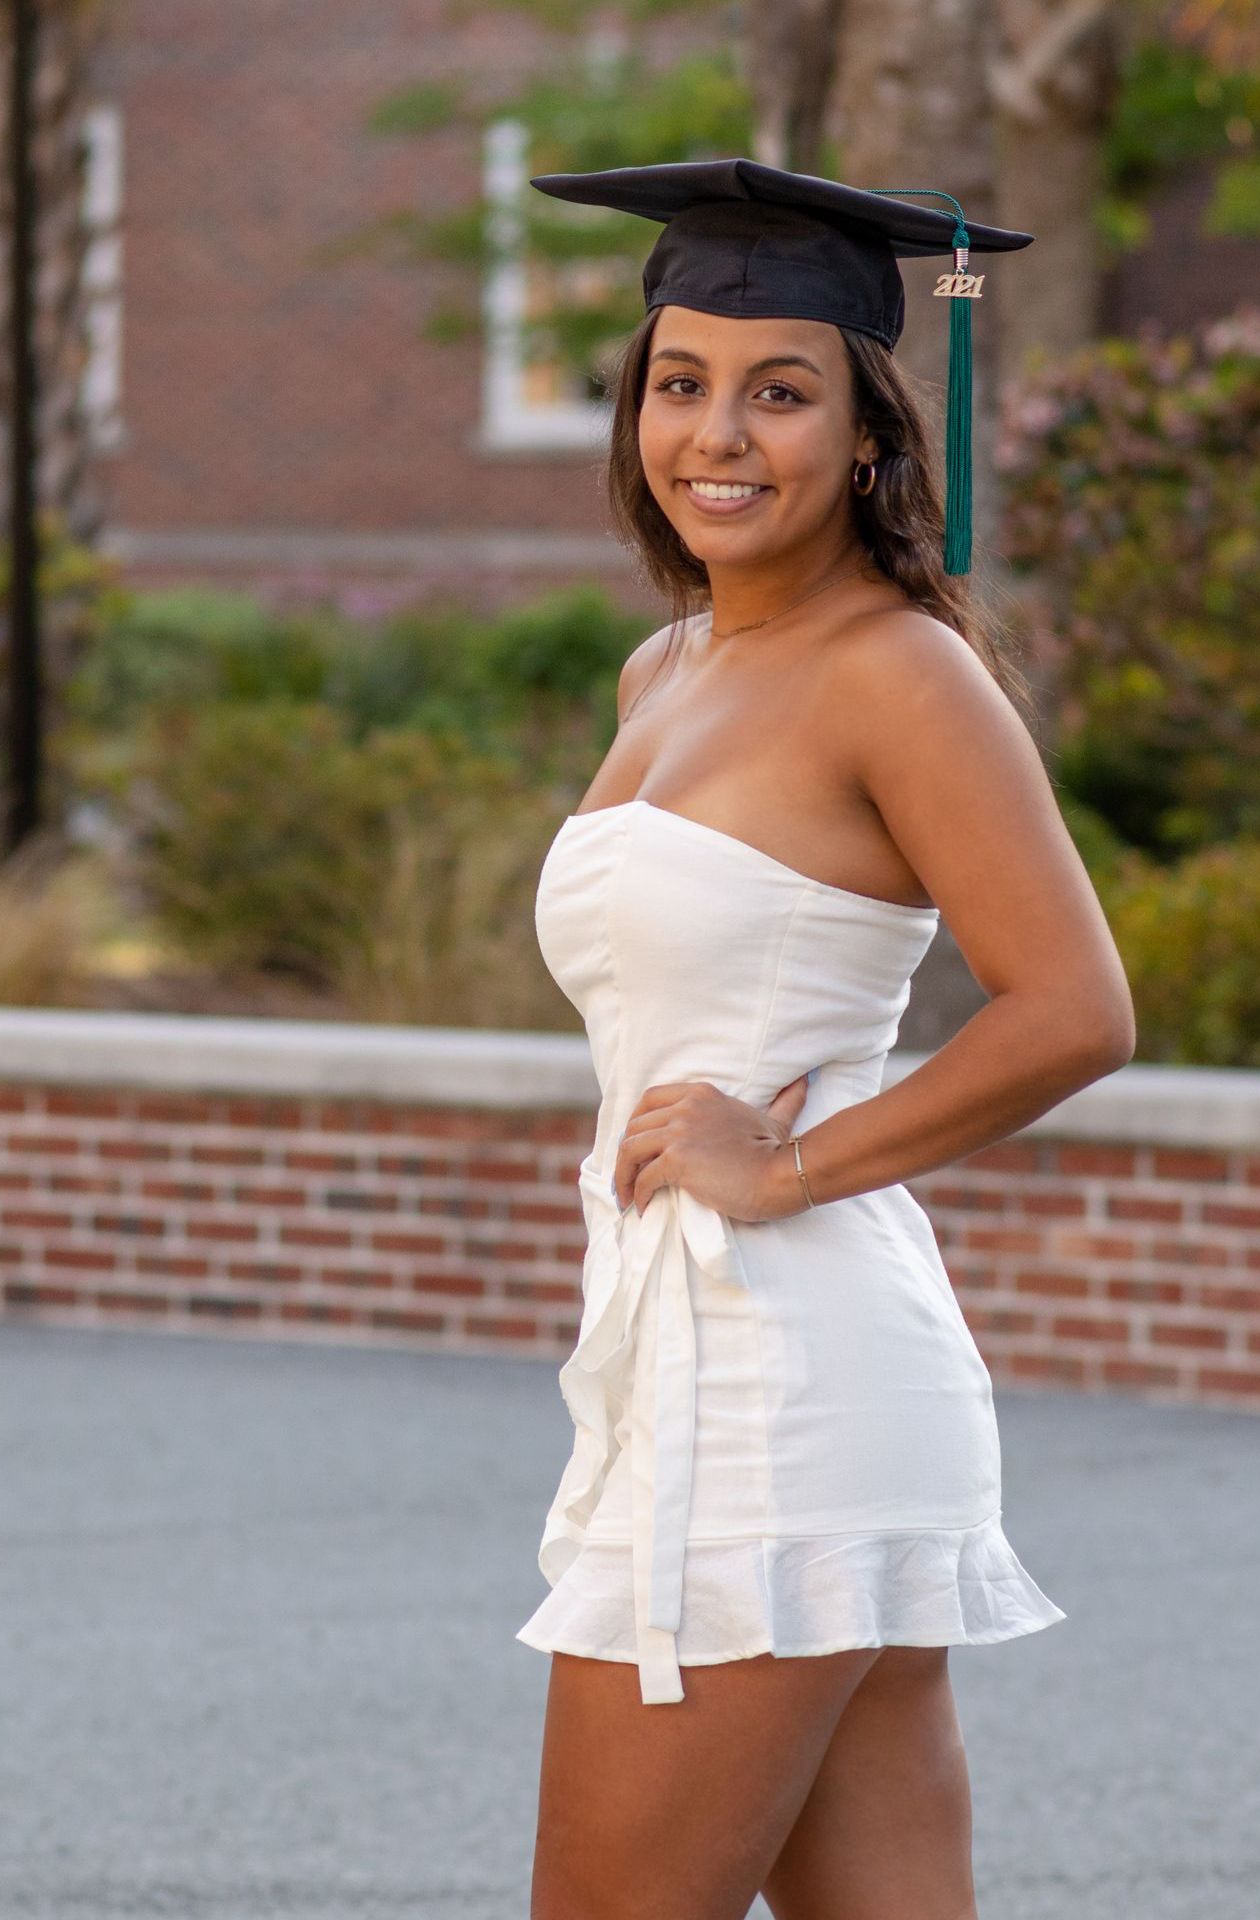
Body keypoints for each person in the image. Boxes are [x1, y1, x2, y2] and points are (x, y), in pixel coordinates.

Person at [512, 159, 1135, 1919]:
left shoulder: (900, 673)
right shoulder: (672, 667)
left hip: (776, 1385)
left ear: (868, 431)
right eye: (679, 383)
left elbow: (1078, 1008)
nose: (717, 432)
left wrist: (780, 1168)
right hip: (711, 1363)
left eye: (779, 391)